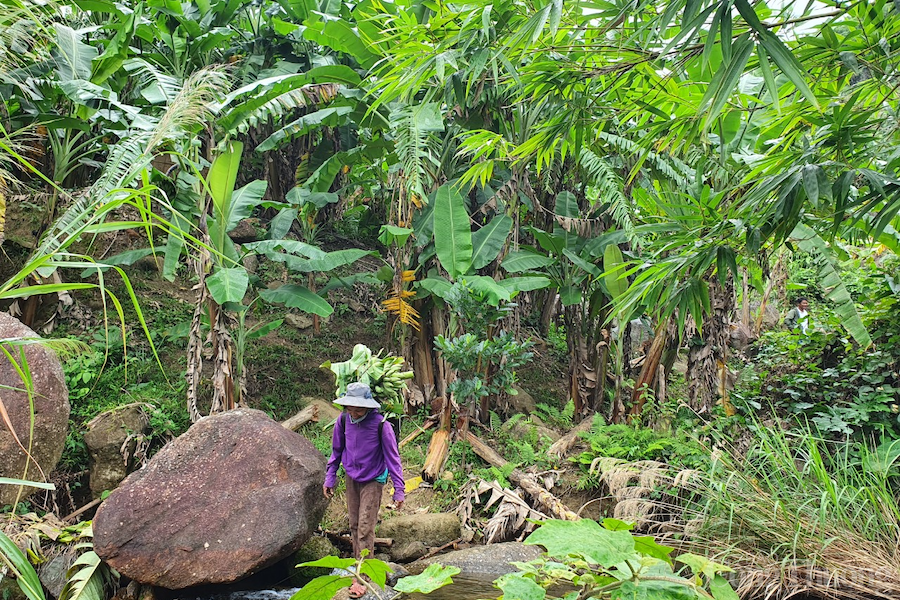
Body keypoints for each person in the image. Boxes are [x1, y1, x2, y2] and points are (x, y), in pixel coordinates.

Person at [323, 382, 404, 598]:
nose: (354, 411)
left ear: (369, 406)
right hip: (352, 476)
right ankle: (362, 568)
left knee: (366, 527)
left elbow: (393, 459)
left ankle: (363, 577)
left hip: (374, 479)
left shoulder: (381, 425)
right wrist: (330, 477)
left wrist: (399, 490)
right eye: (350, 407)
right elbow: (336, 451)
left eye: (359, 408)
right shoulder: (343, 421)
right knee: (354, 524)